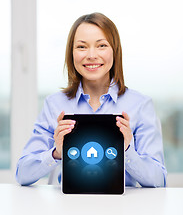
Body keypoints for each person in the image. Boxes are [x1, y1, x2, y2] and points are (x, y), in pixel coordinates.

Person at [16, 12, 167, 187]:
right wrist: (56, 152)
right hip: (68, 207)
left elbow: (159, 181)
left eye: (101, 45)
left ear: (115, 51)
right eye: (81, 47)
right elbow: (22, 174)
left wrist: (126, 150)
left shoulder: (140, 105)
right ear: (71, 53)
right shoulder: (55, 104)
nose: (92, 55)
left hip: (122, 207)